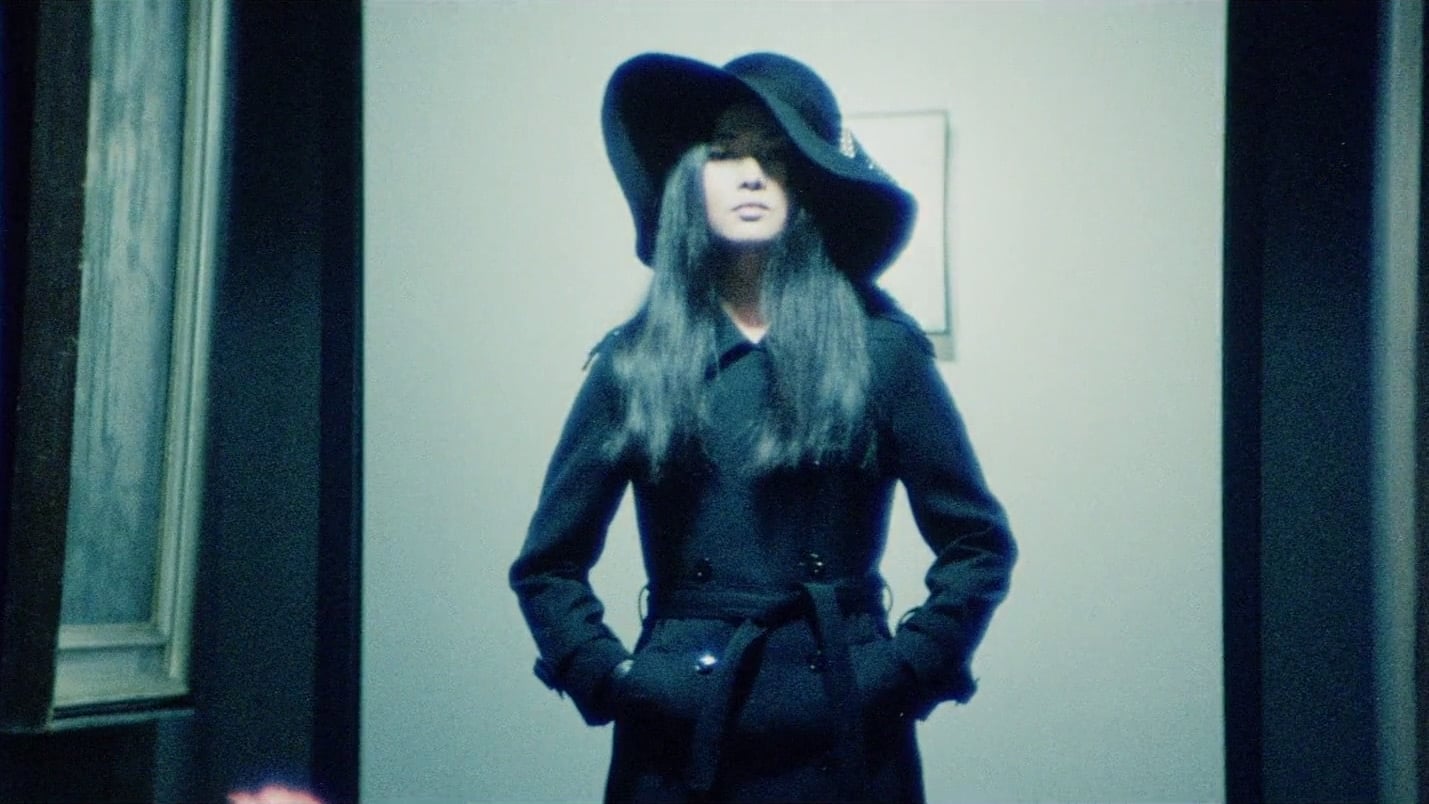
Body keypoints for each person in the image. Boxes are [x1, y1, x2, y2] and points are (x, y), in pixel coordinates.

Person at [510, 51, 1016, 803]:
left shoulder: (879, 351)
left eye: (775, 156)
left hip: (845, 723)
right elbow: (548, 564)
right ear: (691, 179)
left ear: (808, 181)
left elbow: (977, 543)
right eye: (725, 153)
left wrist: (900, 669)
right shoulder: (635, 362)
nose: (749, 175)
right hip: (680, 730)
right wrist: (614, 677)